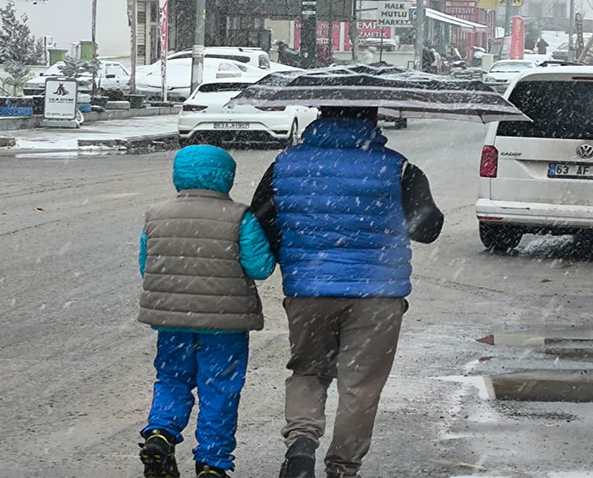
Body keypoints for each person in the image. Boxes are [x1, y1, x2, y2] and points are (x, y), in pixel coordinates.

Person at [251, 107, 444, 478]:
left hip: (308, 292)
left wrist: (296, 257)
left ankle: (302, 445)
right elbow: (428, 228)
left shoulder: (285, 163)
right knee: (361, 385)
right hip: (378, 295)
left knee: (308, 371)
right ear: (372, 119)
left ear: (321, 116)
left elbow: (260, 219)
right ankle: (342, 467)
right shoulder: (398, 167)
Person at [138, 145, 276, 478]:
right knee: (220, 389)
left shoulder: (156, 214)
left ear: (178, 176)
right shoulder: (240, 217)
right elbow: (260, 267)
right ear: (226, 178)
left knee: (172, 378)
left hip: (172, 320)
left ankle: (161, 432)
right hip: (225, 325)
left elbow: (148, 266)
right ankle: (212, 463)